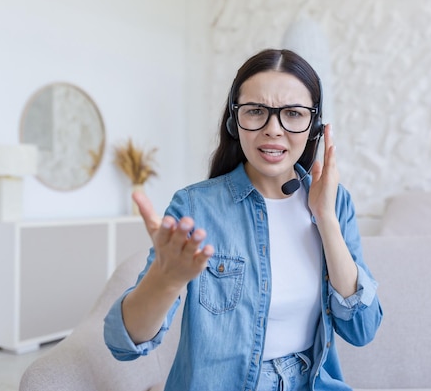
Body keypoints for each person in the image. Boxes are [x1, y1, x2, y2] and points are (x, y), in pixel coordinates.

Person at [104, 48, 383, 391]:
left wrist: (325, 219)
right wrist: (166, 280)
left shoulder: (335, 201)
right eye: (255, 111)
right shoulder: (195, 206)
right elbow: (123, 343)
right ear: (234, 120)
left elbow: (363, 328)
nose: (273, 129)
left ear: (314, 125)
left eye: (293, 114)